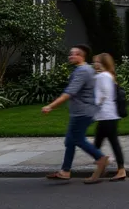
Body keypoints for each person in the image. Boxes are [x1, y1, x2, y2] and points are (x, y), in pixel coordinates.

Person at [43, 45, 109, 182]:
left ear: (80, 56)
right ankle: (65, 171)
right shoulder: (86, 69)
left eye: (73, 54)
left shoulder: (82, 71)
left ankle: (100, 158)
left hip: (82, 112)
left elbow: (70, 92)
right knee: (70, 141)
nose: (70, 56)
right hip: (82, 111)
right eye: (70, 54)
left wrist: (50, 106)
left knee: (78, 139)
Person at [92, 52, 127, 182]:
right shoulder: (109, 76)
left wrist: (94, 104)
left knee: (98, 145)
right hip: (109, 115)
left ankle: (111, 166)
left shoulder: (102, 76)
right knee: (107, 143)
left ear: (103, 64)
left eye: (97, 62)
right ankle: (110, 166)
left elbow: (102, 95)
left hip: (106, 115)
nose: (95, 64)